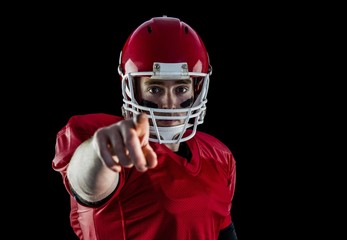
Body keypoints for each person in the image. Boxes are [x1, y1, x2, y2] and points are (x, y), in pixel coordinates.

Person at [52, 16, 238, 240]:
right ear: (133, 90)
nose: (169, 102)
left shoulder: (219, 156)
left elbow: (223, 230)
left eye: (181, 88)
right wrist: (101, 152)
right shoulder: (119, 146)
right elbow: (87, 186)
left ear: (196, 90)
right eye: (155, 89)